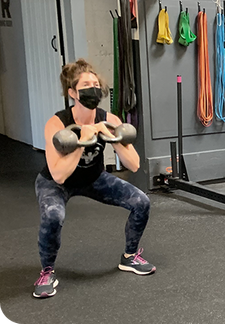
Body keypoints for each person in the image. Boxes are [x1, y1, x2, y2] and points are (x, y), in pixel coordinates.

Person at [33, 59, 155, 299]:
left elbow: (134, 164)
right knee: (53, 215)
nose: (93, 89)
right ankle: (47, 271)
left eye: (96, 84)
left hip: (93, 178)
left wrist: (113, 137)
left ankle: (130, 257)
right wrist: (83, 139)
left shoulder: (110, 119)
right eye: (86, 85)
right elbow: (58, 173)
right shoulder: (57, 123)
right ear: (72, 92)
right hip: (56, 183)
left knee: (141, 202)